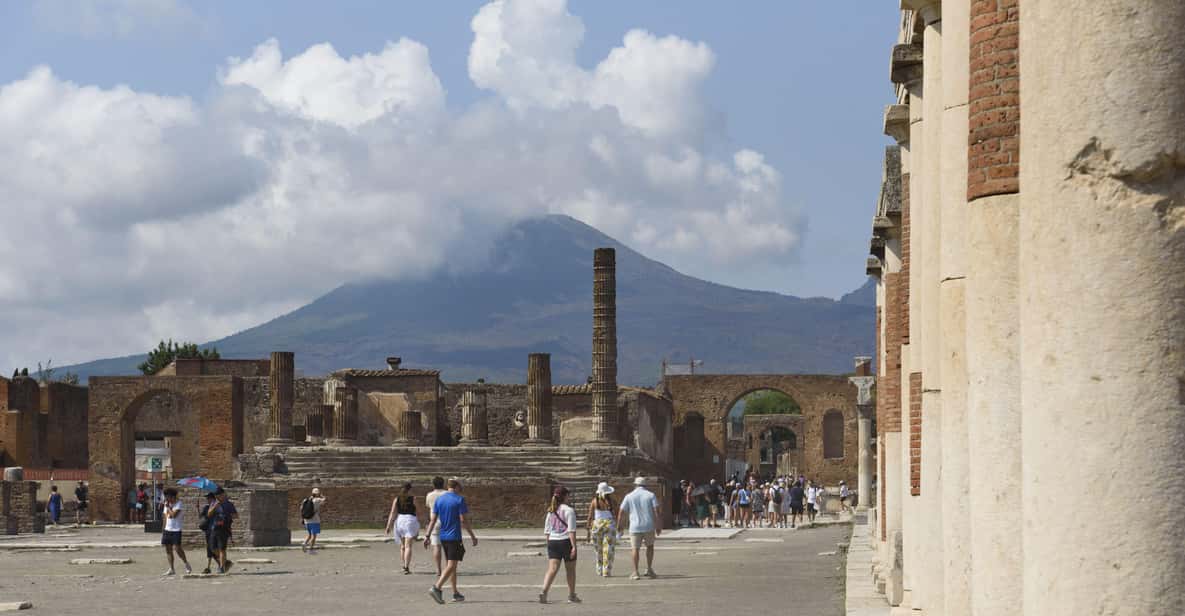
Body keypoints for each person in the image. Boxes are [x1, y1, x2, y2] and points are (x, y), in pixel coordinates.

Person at [423, 478, 478, 605]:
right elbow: (463, 521)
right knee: (452, 565)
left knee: (451, 565)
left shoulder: (439, 499)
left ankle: (455, 593)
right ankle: (437, 587)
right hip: (454, 537)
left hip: (443, 536)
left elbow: (432, 520)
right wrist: (472, 536)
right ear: (457, 486)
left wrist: (427, 536)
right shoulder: (459, 499)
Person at [539, 485, 580, 604]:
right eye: (568, 495)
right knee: (570, 570)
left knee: (552, 569)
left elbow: (547, 531)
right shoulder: (569, 510)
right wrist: (574, 547)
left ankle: (544, 591)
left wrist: (549, 545)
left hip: (553, 541)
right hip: (566, 541)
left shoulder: (550, 511)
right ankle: (571, 595)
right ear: (565, 496)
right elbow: (571, 531)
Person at [617, 476, 661, 581]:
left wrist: (620, 526)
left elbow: (621, 512)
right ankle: (649, 568)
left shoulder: (629, 496)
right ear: (645, 485)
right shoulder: (651, 495)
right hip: (649, 525)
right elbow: (657, 511)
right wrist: (658, 525)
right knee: (650, 547)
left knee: (635, 549)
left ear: (635, 485)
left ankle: (636, 572)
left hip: (635, 526)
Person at [386, 482, 420, 575]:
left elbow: (392, 513)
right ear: (410, 490)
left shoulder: (397, 499)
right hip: (410, 520)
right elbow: (419, 512)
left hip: (400, 520)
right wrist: (422, 522)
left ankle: (404, 565)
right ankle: (406, 566)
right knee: (408, 546)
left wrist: (388, 525)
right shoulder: (413, 498)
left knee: (402, 546)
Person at [585, 481, 617, 578]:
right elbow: (616, 513)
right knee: (608, 549)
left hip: (597, 525)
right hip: (609, 524)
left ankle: (599, 569)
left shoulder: (594, 501)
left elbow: (590, 516)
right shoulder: (612, 501)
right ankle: (606, 570)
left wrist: (588, 529)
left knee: (598, 549)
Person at [160, 488, 192, 576]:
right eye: (166, 497)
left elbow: (173, 515)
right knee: (168, 549)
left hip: (176, 530)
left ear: (173, 496)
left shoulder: (179, 504)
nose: (166, 499)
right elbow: (165, 517)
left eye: (168, 497)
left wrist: (168, 507)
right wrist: (163, 529)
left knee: (177, 549)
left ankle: (186, 563)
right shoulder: (167, 504)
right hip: (167, 529)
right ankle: (171, 568)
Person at [206, 488, 237, 574]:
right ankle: (226, 562)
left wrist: (227, 516)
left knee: (222, 549)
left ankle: (221, 567)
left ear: (223, 494)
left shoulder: (229, 504)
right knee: (212, 548)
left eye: (219, 495)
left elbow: (235, 515)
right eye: (216, 496)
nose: (218, 497)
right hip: (214, 528)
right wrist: (215, 506)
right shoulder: (213, 503)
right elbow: (208, 514)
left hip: (224, 529)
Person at [423, 476, 447, 577]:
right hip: (447, 522)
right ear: (443, 483)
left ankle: (438, 570)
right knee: (448, 547)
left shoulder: (429, 495)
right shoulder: (447, 494)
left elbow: (428, 506)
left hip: (435, 523)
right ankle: (448, 568)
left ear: (433, 484)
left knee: (436, 547)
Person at [300, 487, 327, 553]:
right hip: (314, 520)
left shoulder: (305, 500)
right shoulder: (317, 500)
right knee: (314, 536)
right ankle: (311, 549)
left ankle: (305, 543)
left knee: (309, 534)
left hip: (306, 520)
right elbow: (324, 500)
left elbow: (301, 508)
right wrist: (322, 496)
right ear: (317, 494)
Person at [198, 492, 217, 574]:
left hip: (214, 530)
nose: (208, 499)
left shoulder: (216, 507)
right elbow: (201, 517)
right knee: (209, 548)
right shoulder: (206, 507)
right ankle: (208, 567)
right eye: (207, 498)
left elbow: (210, 515)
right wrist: (198, 509)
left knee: (213, 548)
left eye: (209, 498)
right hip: (208, 530)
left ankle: (222, 563)